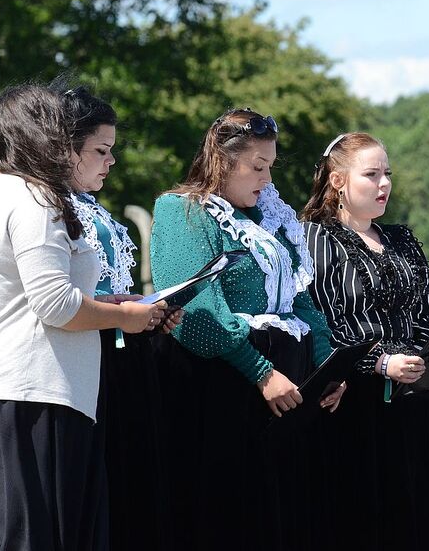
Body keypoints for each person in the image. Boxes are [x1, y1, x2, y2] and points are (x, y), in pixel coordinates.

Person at [0, 83, 168, 551]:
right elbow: (56, 305)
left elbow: (23, 293)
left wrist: (118, 304)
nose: (111, 161)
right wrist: (126, 319)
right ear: (57, 141)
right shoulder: (37, 199)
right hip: (28, 391)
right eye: (100, 149)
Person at [149, 108, 340, 551]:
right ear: (221, 159)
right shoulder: (184, 211)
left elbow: (301, 298)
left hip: (284, 387)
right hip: (223, 387)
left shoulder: (269, 218)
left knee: (283, 516)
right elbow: (197, 308)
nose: (266, 178)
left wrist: (329, 368)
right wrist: (260, 371)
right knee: (229, 515)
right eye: (257, 167)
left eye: (270, 166)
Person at [300, 132, 429, 551]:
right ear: (337, 181)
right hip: (354, 406)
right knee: (364, 521)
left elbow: (426, 318)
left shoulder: (401, 239)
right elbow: (320, 324)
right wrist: (379, 363)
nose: (384, 183)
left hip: (418, 403)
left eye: (387, 173)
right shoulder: (312, 240)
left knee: (421, 521)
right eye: (371, 174)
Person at [62, 85, 183, 551]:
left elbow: (107, 289)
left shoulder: (93, 208)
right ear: (66, 148)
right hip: (89, 359)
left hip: (124, 355)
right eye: (101, 151)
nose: (110, 162)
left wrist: (145, 309)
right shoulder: (53, 208)